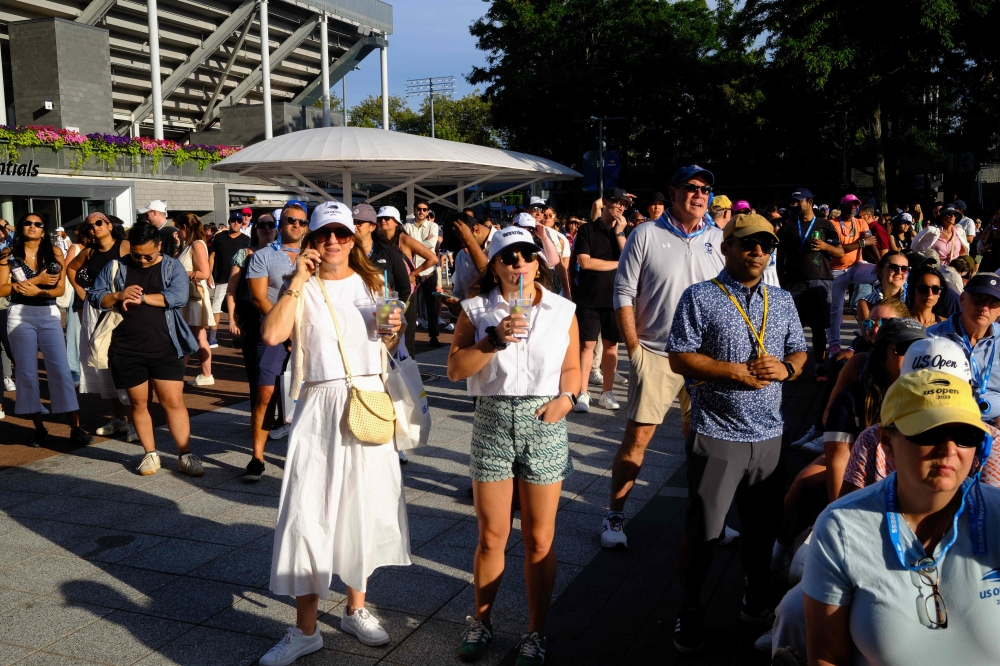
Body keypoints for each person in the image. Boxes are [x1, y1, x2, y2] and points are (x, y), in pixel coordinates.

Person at [259, 201, 407, 666]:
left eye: (341, 234)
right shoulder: (299, 287)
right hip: (319, 405)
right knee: (308, 511)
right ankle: (305, 630)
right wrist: (297, 281)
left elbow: (389, 344)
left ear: (353, 237)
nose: (333, 242)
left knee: (360, 507)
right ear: (311, 240)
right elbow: (271, 335)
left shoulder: (374, 283)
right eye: (324, 234)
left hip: (366, 403)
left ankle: (356, 609)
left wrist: (395, 332)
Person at [666, 212, 808, 653]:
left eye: (765, 246)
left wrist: (786, 369)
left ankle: (754, 597)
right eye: (747, 244)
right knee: (705, 529)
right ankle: (689, 610)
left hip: (770, 434)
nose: (757, 252)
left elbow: (799, 352)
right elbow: (679, 356)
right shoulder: (700, 297)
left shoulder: (781, 300)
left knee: (762, 528)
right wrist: (733, 371)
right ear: (725, 247)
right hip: (718, 431)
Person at [802, 368, 1000, 665]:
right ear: (886, 440)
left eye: (965, 435)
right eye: (928, 432)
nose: (948, 450)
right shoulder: (841, 527)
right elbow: (827, 658)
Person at [447, 226, 579, 666]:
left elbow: (574, 366)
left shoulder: (562, 310)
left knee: (539, 538)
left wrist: (568, 398)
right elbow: (455, 370)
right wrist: (494, 339)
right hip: (493, 420)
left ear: (539, 261)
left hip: (544, 419)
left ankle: (534, 631)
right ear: (495, 265)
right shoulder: (476, 309)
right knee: (492, 537)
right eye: (507, 256)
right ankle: (481, 622)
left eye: (526, 254)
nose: (518, 262)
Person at [605, 165, 725, 549]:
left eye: (705, 189)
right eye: (690, 187)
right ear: (673, 193)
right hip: (655, 353)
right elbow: (623, 292)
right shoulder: (645, 233)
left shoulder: (720, 238)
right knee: (638, 438)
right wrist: (634, 350)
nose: (699, 194)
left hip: (705, 357)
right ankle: (615, 516)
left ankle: (708, 519)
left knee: (704, 442)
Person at [89, 222, 204, 477]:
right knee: (139, 404)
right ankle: (150, 454)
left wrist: (141, 298)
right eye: (136, 255)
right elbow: (96, 296)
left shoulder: (172, 266)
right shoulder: (117, 266)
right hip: (126, 347)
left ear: (159, 245)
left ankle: (185, 454)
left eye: (147, 256)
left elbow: (177, 297)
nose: (141, 260)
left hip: (165, 345)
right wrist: (118, 295)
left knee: (173, 402)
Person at [0, 213, 91, 447]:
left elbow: (60, 290)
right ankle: (39, 429)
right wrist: (38, 280)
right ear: (20, 228)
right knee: (27, 373)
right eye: (28, 223)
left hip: (48, 313)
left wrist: (36, 290)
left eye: (38, 224)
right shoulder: (8, 255)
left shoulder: (55, 252)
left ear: (43, 230)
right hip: (20, 313)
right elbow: (1, 289)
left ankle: (76, 427)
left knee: (60, 370)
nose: (32, 226)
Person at [243, 203, 308, 481]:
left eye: (302, 222)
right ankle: (257, 456)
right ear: (281, 224)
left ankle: (307, 454)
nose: (296, 225)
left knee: (311, 395)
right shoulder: (262, 256)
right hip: (272, 334)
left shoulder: (318, 254)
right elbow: (259, 298)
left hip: (310, 334)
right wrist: (286, 328)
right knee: (265, 395)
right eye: (291, 220)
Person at [68, 212, 133, 440]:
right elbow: (71, 268)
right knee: (102, 362)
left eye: (99, 223)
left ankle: (135, 420)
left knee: (125, 362)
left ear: (108, 225)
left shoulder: (125, 246)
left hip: (120, 310)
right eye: (90, 225)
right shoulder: (89, 251)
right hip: (96, 310)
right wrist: (82, 292)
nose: (95, 227)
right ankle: (119, 419)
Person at [572, 187, 629, 413]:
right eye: (616, 202)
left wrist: (620, 233)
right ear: (605, 203)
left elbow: (630, 260)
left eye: (623, 204)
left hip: (615, 298)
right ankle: (583, 392)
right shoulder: (587, 230)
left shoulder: (625, 231)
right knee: (587, 345)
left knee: (611, 346)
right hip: (588, 297)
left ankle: (607, 392)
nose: (620, 207)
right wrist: (617, 264)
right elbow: (585, 262)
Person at [777, 188, 844, 381]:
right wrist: (782, 283)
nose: (794, 205)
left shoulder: (825, 224)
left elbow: (839, 252)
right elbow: (780, 258)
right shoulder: (788, 227)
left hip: (820, 280)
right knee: (791, 326)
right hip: (794, 283)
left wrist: (825, 246)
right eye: (792, 202)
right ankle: (791, 367)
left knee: (818, 326)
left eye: (798, 201)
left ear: (810, 201)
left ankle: (819, 366)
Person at [928, 272, 1000, 426]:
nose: (984, 308)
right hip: (948, 421)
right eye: (978, 299)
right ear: (962, 299)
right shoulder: (932, 338)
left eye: (993, 303)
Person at [226, 215, 277, 398]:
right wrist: (232, 319)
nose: (266, 228)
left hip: (278, 314)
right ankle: (259, 418)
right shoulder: (245, 253)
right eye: (261, 225)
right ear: (255, 229)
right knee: (256, 372)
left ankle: (281, 420)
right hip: (251, 317)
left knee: (280, 373)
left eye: (271, 224)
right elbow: (232, 289)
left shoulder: (283, 253)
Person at [377, 206, 438, 358]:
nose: (383, 221)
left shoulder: (404, 239)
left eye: (387, 218)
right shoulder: (376, 241)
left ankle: (409, 370)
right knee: (385, 335)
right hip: (385, 294)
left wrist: (414, 273)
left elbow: (433, 258)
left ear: (396, 222)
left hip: (407, 294)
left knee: (406, 335)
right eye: (380, 218)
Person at [827, 194, 879, 355]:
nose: (852, 208)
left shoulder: (861, 222)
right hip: (836, 270)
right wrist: (862, 243)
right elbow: (838, 250)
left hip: (856, 266)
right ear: (841, 206)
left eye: (855, 205)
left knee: (882, 274)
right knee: (835, 308)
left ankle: (877, 314)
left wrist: (882, 262)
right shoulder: (832, 224)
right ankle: (834, 345)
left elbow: (872, 243)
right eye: (848, 205)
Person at [175, 213, 215, 386]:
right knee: (196, 335)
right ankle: (204, 374)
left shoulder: (197, 245)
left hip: (194, 297)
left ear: (185, 227)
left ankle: (183, 374)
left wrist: (182, 274)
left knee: (194, 336)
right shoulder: (191, 244)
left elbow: (204, 273)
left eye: (179, 227)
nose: (178, 231)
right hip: (190, 296)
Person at [352, 203, 411, 302]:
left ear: (372, 227)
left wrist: (396, 308)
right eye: (351, 222)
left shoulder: (389, 252)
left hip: (383, 313)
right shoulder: (345, 254)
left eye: (359, 223)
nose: (354, 227)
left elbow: (404, 288)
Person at [404, 201, 443, 347]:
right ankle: (408, 339)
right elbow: (404, 245)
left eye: (424, 209)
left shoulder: (434, 226)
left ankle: (434, 337)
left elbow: (432, 245)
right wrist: (422, 242)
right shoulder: (407, 226)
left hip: (429, 271)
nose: (421, 211)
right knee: (409, 306)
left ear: (428, 212)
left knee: (432, 306)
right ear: (414, 210)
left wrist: (412, 243)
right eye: (419, 209)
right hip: (411, 271)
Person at [208, 211, 249, 348]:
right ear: (229, 222)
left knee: (237, 310)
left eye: (238, 221)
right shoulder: (219, 238)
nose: (236, 223)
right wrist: (209, 274)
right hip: (221, 278)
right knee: (216, 308)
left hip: (239, 280)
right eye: (233, 221)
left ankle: (236, 337)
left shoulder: (246, 240)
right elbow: (212, 256)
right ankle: (212, 338)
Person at [857, 251, 909, 324]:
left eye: (904, 268)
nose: (899, 272)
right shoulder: (866, 303)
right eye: (893, 267)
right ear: (880, 271)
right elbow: (869, 334)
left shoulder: (913, 299)